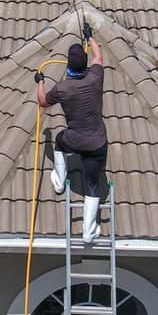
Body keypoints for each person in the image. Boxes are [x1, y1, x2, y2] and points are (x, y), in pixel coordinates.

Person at [35, 23, 106, 242]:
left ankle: (59, 181)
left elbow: (43, 102)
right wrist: (90, 37)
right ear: (84, 65)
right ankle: (89, 232)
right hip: (97, 143)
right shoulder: (95, 77)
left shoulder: (62, 88)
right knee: (92, 185)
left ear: (68, 65)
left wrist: (40, 82)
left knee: (59, 140)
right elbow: (98, 57)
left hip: (74, 139)